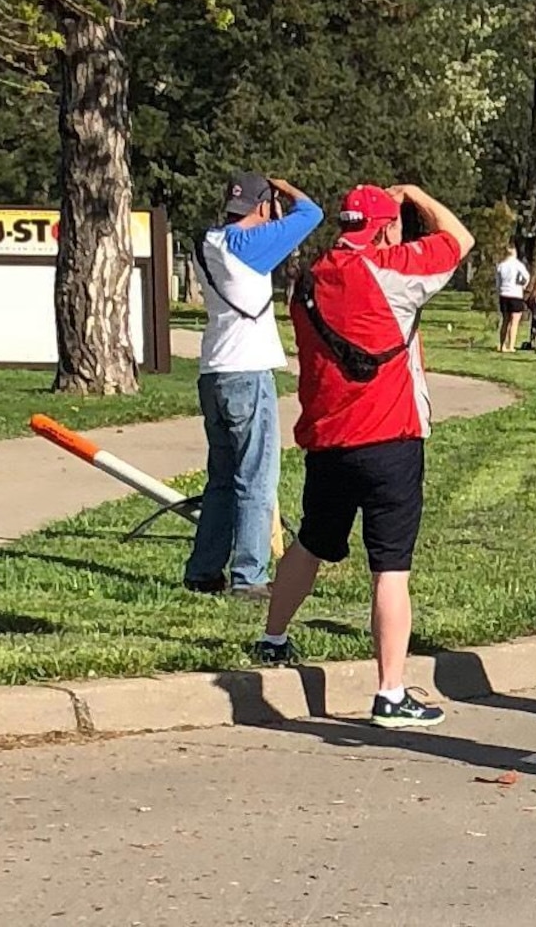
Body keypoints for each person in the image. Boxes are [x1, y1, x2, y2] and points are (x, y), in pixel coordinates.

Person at [254, 182, 474, 729]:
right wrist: (422, 194)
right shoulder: (394, 271)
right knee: (390, 567)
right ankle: (391, 692)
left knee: (310, 541)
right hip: (389, 437)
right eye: (396, 222)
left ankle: (273, 638)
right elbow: (459, 239)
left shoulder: (305, 283)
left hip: (328, 439)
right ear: (382, 228)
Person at [184, 172, 322, 598]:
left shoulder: (209, 241)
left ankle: (204, 571)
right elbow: (312, 213)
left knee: (222, 479)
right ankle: (250, 575)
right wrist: (287, 190)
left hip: (214, 371)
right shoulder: (250, 247)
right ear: (263, 208)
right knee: (257, 479)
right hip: (248, 372)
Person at [495, 246, 531, 353]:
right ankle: (511, 345)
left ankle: (502, 345)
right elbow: (526, 276)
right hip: (515, 294)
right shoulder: (518, 265)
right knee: (514, 321)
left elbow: (498, 282)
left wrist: (500, 290)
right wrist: (523, 285)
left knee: (505, 321)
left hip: (504, 294)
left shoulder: (501, 265)